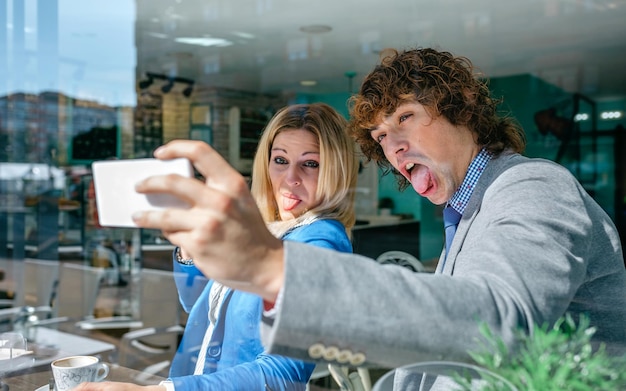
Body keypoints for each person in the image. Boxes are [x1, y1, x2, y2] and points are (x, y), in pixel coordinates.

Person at [126, 48, 626, 389]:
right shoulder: (465, 216)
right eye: (381, 135)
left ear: (463, 107)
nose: (393, 145)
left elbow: (498, 322)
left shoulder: (533, 185)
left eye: (405, 117)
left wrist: (270, 266)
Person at [76, 102, 358, 391]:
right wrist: (188, 244)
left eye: (310, 163)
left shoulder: (319, 242)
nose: (290, 178)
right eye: (280, 160)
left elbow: (283, 373)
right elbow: (197, 303)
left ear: (335, 171)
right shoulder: (267, 229)